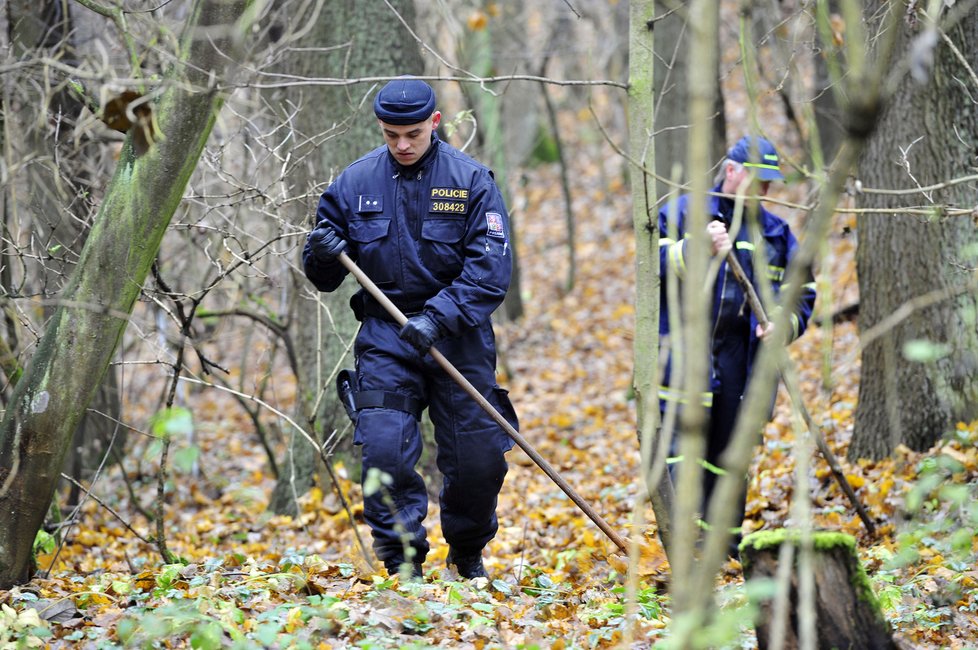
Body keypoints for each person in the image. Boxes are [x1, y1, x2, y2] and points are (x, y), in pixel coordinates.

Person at [302, 77, 518, 581]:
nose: (402, 144)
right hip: (386, 337)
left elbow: (490, 273)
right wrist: (319, 252)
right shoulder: (353, 185)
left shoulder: (470, 181)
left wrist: (437, 317)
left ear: (434, 124)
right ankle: (403, 564)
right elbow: (322, 277)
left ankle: (466, 554)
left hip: (457, 336)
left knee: (477, 459)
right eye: (391, 134)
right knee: (383, 449)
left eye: (413, 134)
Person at [656, 135, 817, 551]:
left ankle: (722, 549)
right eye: (757, 180)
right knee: (677, 449)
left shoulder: (777, 235)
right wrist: (695, 249)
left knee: (730, 454)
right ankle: (678, 542)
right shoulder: (680, 214)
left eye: (769, 183)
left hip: (743, 362)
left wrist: (785, 322)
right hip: (683, 353)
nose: (764, 191)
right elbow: (650, 268)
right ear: (731, 171)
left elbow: (803, 293)